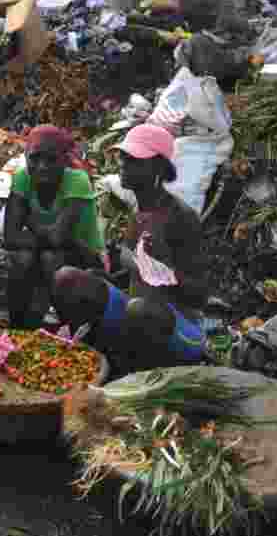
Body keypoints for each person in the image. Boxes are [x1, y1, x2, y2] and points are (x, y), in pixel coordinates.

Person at [48, 124, 209, 376]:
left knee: (139, 310)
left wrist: (161, 274)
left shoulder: (180, 217)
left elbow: (199, 295)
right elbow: (134, 278)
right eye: (123, 157)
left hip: (177, 326)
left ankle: (131, 376)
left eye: (133, 160)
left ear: (158, 167)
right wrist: (105, 278)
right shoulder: (139, 211)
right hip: (137, 310)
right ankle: (93, 360)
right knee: (67, 278)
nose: (122, 163)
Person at [4, 125, 106, 330]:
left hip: (85, 255)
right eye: (35, 158)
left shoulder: (77, 179)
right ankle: (17, 330)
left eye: (51, 159)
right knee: (24, 258)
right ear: (25, 157)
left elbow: (59, 238)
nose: (42, 166)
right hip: (47, 252)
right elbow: (10, 237)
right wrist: (47, 234)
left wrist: (31, 222)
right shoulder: (22, 177)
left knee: (49, 258)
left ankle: (70, 329)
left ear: (64, 159)